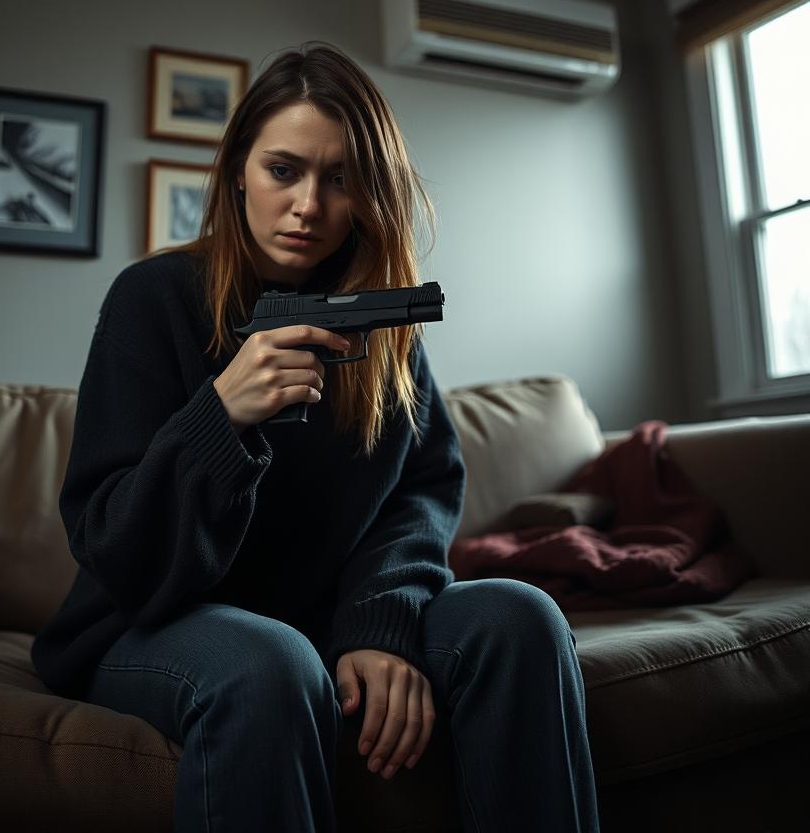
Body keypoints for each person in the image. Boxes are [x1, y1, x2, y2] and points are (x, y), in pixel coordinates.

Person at [31, 42, 600, 832]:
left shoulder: (379, 324)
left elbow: (420, 492)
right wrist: (220, 415)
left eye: (341, 179)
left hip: (323, 622)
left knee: (519, 616)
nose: (309, 205)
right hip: (148, 625)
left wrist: (381, 626)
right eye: (283, 170)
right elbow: (117, 552)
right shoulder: (151, 298)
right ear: (237, 169)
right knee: (269, 664)